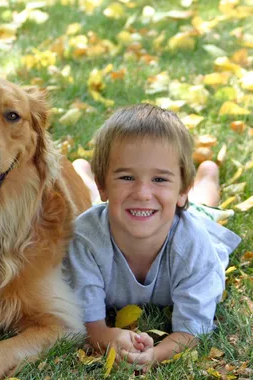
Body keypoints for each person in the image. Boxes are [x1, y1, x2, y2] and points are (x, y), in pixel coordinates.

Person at [64, 104, 241, 369]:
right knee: (100, 209)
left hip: (190, 218)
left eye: (160, 179)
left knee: (205, 206)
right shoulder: (84, 241)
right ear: (105, 185)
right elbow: (91, 328)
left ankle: (207, 174)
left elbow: (192, 330)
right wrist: (107, 336)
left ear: (182, 190)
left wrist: (156, 355)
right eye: (127, 176)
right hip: (113, 211)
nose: (143, 192)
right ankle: (86, 174)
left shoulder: (194, 245)